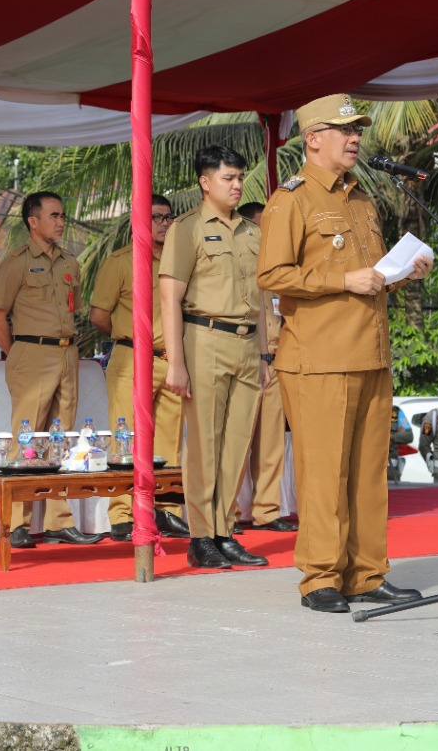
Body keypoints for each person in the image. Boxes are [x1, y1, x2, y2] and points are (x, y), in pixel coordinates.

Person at [257, 94, 433, 613]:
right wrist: (342, 277)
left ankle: (367, 574)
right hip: (319, 359)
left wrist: (399, 275)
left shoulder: (361, 200)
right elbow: (271, 276)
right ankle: (320, 578)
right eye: (344, 130)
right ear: (313, 139)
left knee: (367, 474)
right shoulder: (291, 200)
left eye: (358, 130)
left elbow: (368, 281)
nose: (355, 138)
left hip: (370, 354)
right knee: (324, 472)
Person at [162, 145, 267, 570]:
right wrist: (175, 362)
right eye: (229, 178)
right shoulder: (186, 229)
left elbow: (263, 296)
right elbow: (170, 296)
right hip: (203, 338)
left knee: (237, 444)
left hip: (245, 343)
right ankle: (201, 536)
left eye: (240, 177)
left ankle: (225, 531)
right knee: (204, 444)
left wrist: (264, 352)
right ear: (205, 182)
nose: (238, 185)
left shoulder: (251, 231)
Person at [0, 191, 104, 548]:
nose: (60, 221)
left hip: (67, 354)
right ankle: (17, 524)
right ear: (32, 222)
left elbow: (74, 311)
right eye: (53, 216)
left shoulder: (70, 263)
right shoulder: (16, 263)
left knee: (62, 439)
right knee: (27, 440)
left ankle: (58, 521)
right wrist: (17, 353)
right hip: (32, 353)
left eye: (62, 215)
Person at [88, 193, 189, 542]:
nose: (165, 223)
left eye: (168, 217)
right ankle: (122, 514)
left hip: (172, 359)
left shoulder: (179, 261)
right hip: (132, 357)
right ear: (139, 222)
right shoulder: (120, 262)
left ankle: (169, 510)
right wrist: (129, 336)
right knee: (126, 437)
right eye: (157, 217)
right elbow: (99, 315)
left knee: (169, 440)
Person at [237, 200, 295, 533]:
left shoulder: (277, 271)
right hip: (247, 362)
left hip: (276, 363)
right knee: (237, 444)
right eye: (262, 226)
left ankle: (267, 511)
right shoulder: (240, 266)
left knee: (272, 446)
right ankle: (227, 515)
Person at [388, 405, 413, 484]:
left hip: (391, 468)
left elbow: (409, 436)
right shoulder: (366, 409)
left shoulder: (395, 412)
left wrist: (391, 436)